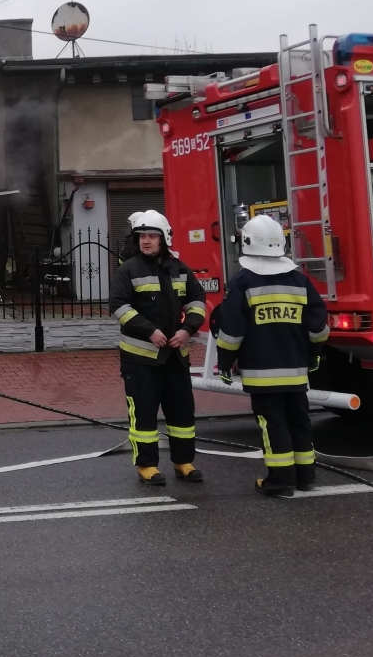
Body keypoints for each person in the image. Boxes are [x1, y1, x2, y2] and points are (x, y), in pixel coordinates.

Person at [216, 214, 329, 497]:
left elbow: (231, 331)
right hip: (296, 370)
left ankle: (280, 480)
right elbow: (319, 328)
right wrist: (313, 356)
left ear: (246, 243)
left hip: (261, 373)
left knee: (273, 424)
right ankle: (305, 477)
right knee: (299, 421)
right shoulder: (300, 281)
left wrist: (225, 363)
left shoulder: (242, 282)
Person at [109, 210, 208, 487]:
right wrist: (149, 331)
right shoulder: (128, 269)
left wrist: (187, 329)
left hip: (175, 357)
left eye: (152, 236)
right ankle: (147, 465)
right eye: (142, 236)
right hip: (140, 359)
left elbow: (197, 299)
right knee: (143, 413)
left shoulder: (179, 268)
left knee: (182, 412)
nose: (146, 241)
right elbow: (118, 306)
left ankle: (184, 462)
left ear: (164, 239)